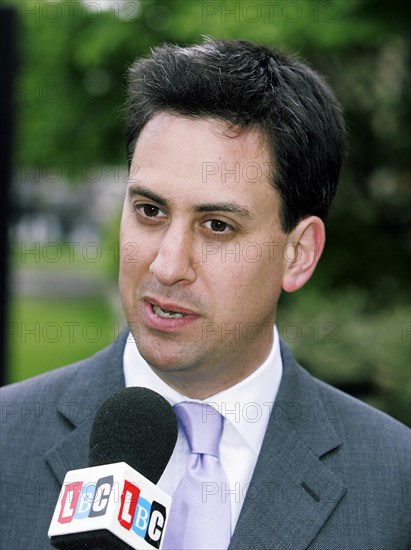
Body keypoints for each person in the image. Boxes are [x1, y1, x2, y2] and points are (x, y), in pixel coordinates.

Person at [1, 38, 410, 550]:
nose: (167, 266)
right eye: (150, 211)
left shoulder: (396, 481)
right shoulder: (6, 439)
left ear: (299, 253)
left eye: (217, 225)